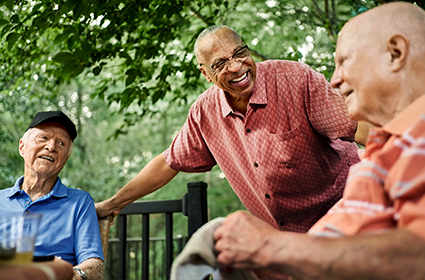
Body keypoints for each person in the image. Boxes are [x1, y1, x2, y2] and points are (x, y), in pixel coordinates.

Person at [213, 2, 425, 279]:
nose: (334, 81)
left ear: (395, 53)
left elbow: (418, 256)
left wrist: (268, 246)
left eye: (343, 62)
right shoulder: (386, 149)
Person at [96, 25, 368, 233]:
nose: (237, 66)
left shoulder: (296, 80)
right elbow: (169, 162)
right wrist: (112, 205)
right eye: (221, 64)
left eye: (240, 54)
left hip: (347, 216)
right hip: (284, 238)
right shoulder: (205, 112)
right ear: (205, 73)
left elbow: (361, 127)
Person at [0, 111, 104, 280]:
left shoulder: (80, 202)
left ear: (66, 158)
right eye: (43, 138)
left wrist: (72, 276)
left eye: (61, 143)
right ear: (22, 147)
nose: (51, 147)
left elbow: (93, 263)